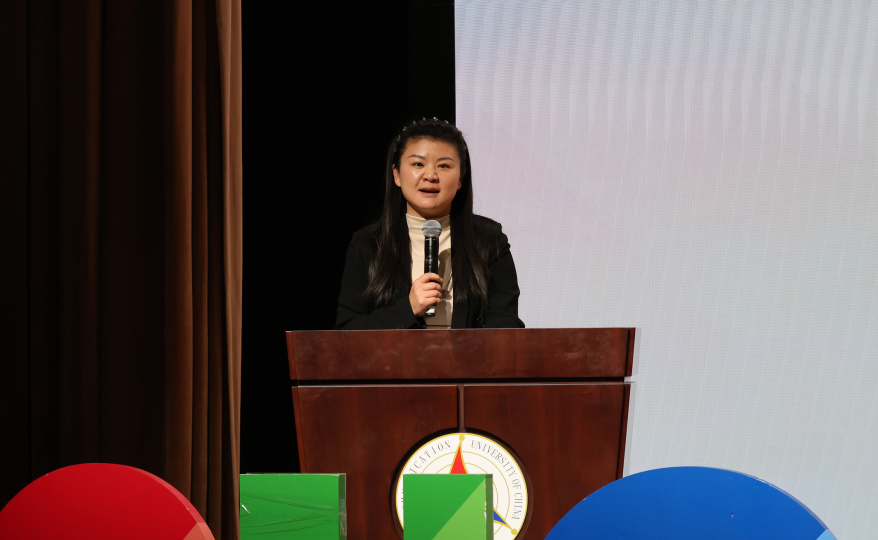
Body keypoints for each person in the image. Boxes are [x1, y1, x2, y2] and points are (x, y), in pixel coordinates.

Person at [335, 118, 524, 330]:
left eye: (444, 166)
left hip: (468, 353)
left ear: (460, 178)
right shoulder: (368, 244)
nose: (431, 176)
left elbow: (506, 325)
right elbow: (346, 331)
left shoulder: (489, 240)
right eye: (418, 164)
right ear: (397, 174)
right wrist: (407, 309)